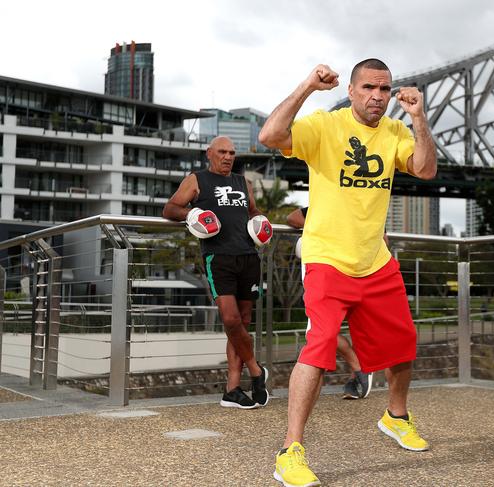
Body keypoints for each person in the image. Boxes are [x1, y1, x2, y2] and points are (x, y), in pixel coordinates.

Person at [259, 58, 437, 487]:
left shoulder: (395, 131)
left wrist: (418, 118)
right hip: (327, 259)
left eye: (385, 89)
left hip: (375, 261)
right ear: (353, 91)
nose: (378, 96)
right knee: (319, 349)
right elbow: (270, 135)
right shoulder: (325, 125)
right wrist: (307, 85)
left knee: (403, 344)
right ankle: (290, 451)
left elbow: (427, 169)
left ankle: (396, 417)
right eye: (369, 88)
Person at [162, 136, 269, 410]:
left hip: (248, 257)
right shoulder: (197, 179)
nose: (228, 157)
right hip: (218, 258)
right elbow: (170, 208)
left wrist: (261, 224)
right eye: (222, 152)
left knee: (243, 322)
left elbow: (254, 212)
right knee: (231, 319)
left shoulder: (242, 182)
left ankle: (232, 389)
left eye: (232, 152)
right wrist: (192, 214)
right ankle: (257, 371)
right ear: (209, 153)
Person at [287, 206, 372, 400]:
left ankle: (359, 368)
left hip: (358, 274)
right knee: (319, 334)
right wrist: (330, 231)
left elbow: (382, 240)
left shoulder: (365, 205)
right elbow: (292, 218)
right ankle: (359, 369)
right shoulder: (323, 204)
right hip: (324, 275)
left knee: (322, 334)